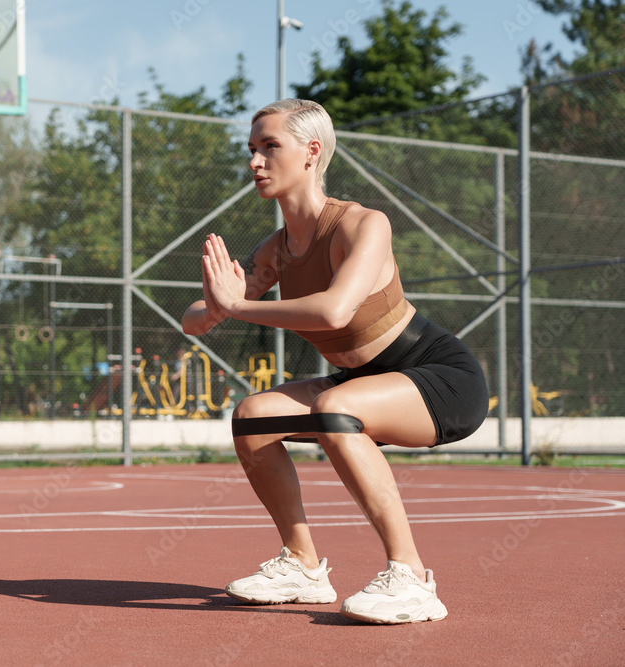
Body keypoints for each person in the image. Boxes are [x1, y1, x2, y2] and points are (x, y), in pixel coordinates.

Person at [181, 99, 488, 624]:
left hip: (439, 378)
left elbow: (334, 309)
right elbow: (194, 320)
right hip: (359, 382)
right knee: (252, 416)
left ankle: (412, 578)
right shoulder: (276, 250)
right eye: (251, 150)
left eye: (269, 147)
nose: (254, 161)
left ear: (311, 152)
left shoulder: (362, 225)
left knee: (335, 405)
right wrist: (215, 304)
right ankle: (302, 566)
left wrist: (237, 305)